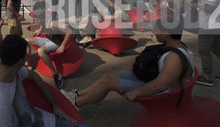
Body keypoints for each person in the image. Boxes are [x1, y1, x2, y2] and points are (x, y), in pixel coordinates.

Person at [61, 18, 195, 106]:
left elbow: (161, 85)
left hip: (159, 91)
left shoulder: (174, 58)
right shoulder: (177, 45)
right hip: (150, 78)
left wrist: (136, 93)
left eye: (157, 30)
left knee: (108, 83)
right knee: (108, 76)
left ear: (167, 34)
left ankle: (76, 103)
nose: (154, 32)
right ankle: (77, 94)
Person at [0, 34, 86, 127]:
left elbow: (34, 76)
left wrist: (54, 104)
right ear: (21, 60)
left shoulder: (10, 70)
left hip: (46, 119)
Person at [25, 16, 71, 89]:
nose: (35, 20)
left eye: (37, 19)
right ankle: (28, 65)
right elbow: (42, 26)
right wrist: (39, 30)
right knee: (26, 41)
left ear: (42, 18)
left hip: (55, 43)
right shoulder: (43, 21)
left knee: (40, 51)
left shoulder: (53, 23)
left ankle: (55, 74)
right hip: (46, 40)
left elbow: (69, 31)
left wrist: (62, 46)